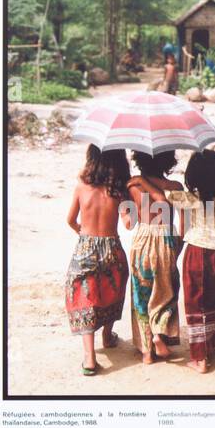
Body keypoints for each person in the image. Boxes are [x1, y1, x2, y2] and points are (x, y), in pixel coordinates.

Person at [64, 145, 131, 375]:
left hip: (86, 246)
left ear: (91, 158)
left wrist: (83, 233)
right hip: (112, 246)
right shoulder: (118, 190)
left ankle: (89, 357)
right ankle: (107, 335)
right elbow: (129, 223)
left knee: (86, 296)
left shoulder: (82, 187)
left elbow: (70, 220)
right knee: (112, 291)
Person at [173, 150, 215, 373]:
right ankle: (210, 343)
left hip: (198, 255)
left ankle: (199, 359)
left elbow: (164, 196)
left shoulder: (191, 199)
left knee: (196, 303)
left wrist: (142, 180)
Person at [126, 151, 184, 364]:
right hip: (166, 238)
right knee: (165, 291)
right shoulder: (176, 187)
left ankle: (147, 352)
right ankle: (160, 334)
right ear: (169, 161)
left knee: (141, 294)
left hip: (142, 239)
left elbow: (129, 223)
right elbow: (185, 223)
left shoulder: (133, 186)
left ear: (139, 161)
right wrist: (180, 243)